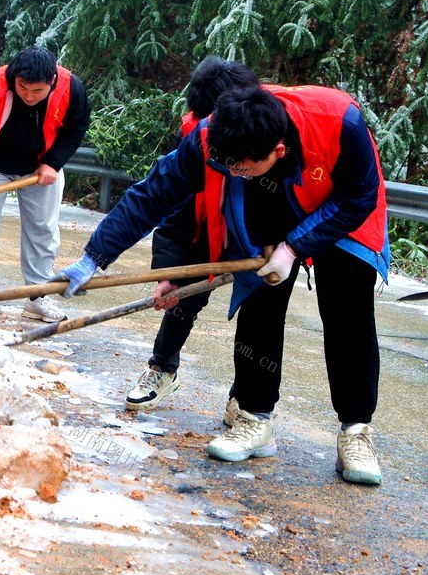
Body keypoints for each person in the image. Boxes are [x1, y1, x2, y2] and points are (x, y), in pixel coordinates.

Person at [56, 80, 389, 486]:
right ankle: (255, 418)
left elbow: (360, 197)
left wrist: (296, 247)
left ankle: (356, 431)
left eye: (241, 169)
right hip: (275, 204)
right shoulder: (214, 137)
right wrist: (96, 256)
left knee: (347, 314)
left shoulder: (341, 122)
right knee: (259, 298)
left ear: (277, 151)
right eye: (227, 167)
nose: (232, 174)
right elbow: (154, 194)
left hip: (344, 213)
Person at [125, 58, 260, 412]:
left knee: (261, 309)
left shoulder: (268, 128)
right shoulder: (192, 137)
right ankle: (162, 367)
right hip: (207, 226)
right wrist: (170, 273)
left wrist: (289, 248)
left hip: (263, 234)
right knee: (183, 300)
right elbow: (175, 211)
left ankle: (247, 399)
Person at [0, 46, 91, 321]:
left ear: (51, 81)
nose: (28, 96)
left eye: (37, 91)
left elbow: (76, 128)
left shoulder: (71, 88)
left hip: (40, 170)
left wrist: (53, 162)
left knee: (42, 230)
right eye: (23, 88)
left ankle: (37, 298)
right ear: (14, 76)